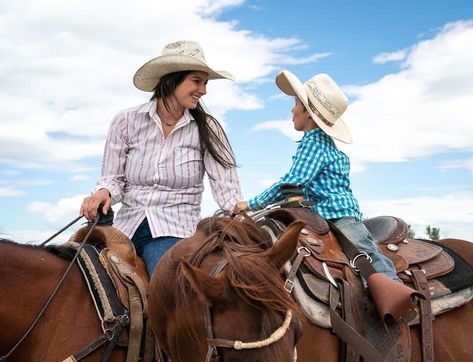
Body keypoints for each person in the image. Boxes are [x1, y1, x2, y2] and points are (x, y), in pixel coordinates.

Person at [81, 40, 242, 276]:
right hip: (126, 228)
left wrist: (240, 215)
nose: (204, 90)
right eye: (196, 81)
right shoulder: (126, 121)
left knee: (166, 285)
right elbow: (112, 179)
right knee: (79, 277)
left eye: (205, 83)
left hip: (174, 231)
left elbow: (228, 192)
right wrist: (102, 192)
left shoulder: (208, 129)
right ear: (171, 79)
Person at [234, 70, 401, 283]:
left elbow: (292, 182)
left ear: (308, 113)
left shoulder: (314, 143)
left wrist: (251, 204)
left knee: (366, 257)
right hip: (322, 213)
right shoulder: (317, 143)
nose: (292, 110)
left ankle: (397, 296)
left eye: (295, 104)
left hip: (338, 215)